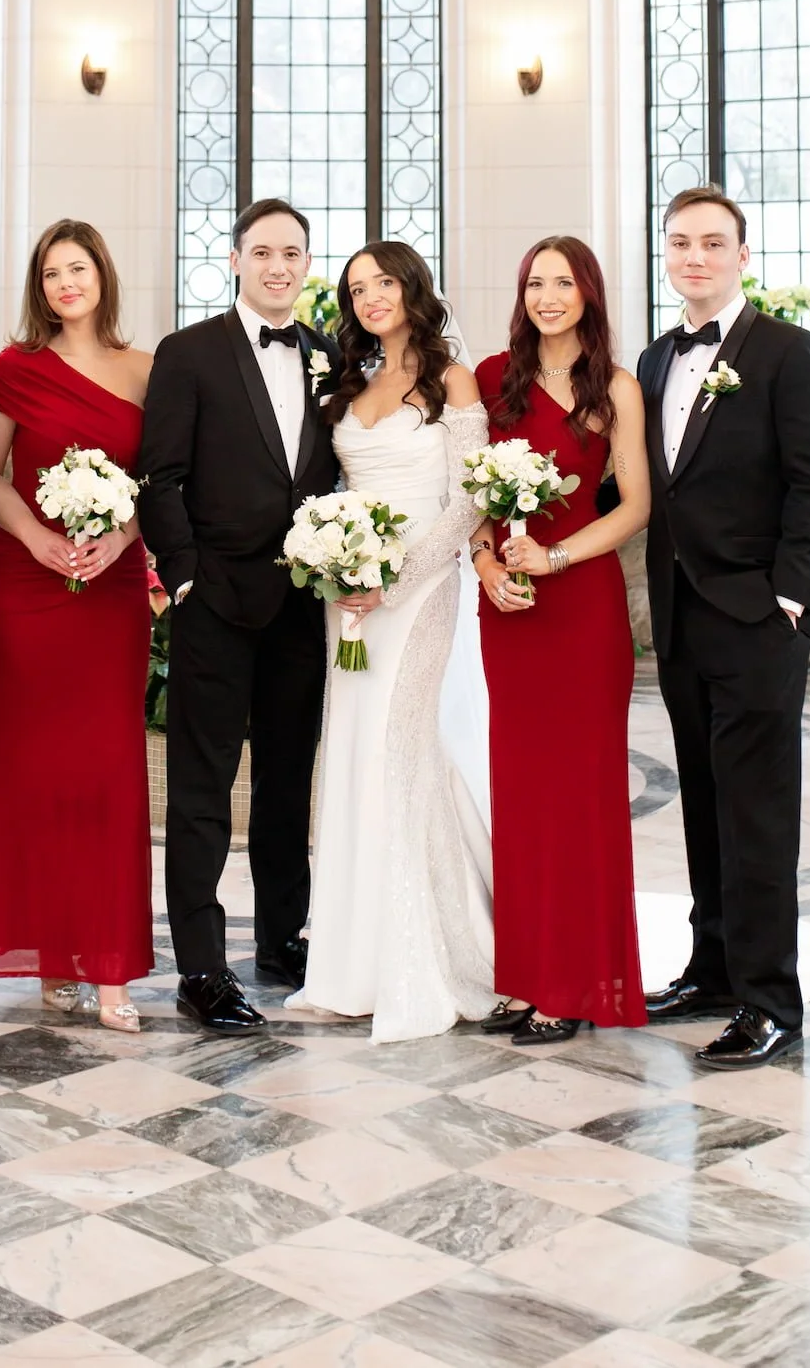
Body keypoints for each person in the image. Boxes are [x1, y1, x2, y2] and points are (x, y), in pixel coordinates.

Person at [637, 184, 810, 1069]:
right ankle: (713, 967)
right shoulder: (652, 360)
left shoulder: (790, 353)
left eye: (712, 244)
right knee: (706, 806)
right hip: (683, 622)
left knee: (758, 816)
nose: (694, 257)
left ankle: (770, 1002)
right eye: (680, 242)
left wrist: (788, 603)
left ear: (743, 257)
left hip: (757, 620)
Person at [0, 221, 154, 1033]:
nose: (67, 283)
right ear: (39, 287)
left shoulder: (146, 370)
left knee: (104, 776)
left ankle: (109, 968)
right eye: (51, 273)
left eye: (78, 268)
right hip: (19, 591)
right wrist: (36, 536)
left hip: (106, 596)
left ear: (102, 274)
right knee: (26, 776)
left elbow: (159, 481)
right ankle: (43, 955)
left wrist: (122, 539)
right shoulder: (14, 368)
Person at [138, 199, 339, 1031]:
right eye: (263, 253)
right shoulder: (188, 353)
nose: (279, 268)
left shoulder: (332, 357)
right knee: (201, 789)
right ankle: (202, 966)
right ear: (233, 260)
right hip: (215, 603)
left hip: (304, 606)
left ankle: (283, 938)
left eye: (293, 254)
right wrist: (184, 579)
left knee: (290, 785)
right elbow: (159, 478)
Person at [287, 243, 494, 1041]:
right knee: (351, 757)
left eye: (382, 282)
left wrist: (394, 581)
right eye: (355, 288)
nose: (369, 297)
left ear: (412, 287)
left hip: (421, 594)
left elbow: (469, 502)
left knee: (399, 756)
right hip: (350, 599)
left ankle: (429, 954)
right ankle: (349, 961)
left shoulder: (454, 381)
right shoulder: (351, 380)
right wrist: (339, 564)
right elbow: (336, 489)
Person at [474, 237, 651, 1047]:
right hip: (509, 612)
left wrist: (556, 556)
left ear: (588, 293)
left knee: (579, 798)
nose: (548, 296)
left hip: (580, 606)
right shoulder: (491, 381)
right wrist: (486, 563)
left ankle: (576, 982)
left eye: (564, 282)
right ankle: (523, 976)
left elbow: (635, 507)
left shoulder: (615, 387)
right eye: (535, 281)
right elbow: (471, 501)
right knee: (520, 794)